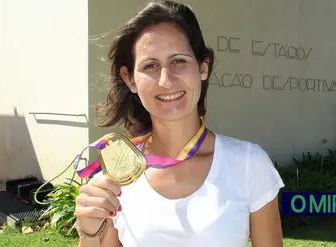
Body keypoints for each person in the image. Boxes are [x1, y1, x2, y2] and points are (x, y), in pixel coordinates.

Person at [75, 1, 285, 246]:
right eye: (150, 65)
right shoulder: (115, 174)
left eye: (179, 61)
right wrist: (88, 233)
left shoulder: (249, 164)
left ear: (203, 67)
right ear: (130, 79)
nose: (166, 80)